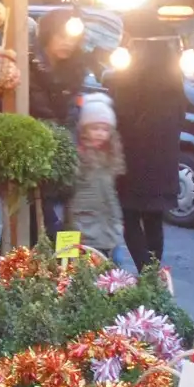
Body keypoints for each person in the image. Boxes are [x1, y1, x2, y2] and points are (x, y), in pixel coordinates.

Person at [108, 17, 185, 271]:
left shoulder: (128, 77)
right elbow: (181, 115)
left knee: (131, 218)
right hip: (163, 159)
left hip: (134, 159)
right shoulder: (173, 76)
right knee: (154, 220)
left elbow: (122, 115)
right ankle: (152, 273)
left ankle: (146, 274)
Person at [68, 93, 127, 265]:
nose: (100, 134)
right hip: (84, 231)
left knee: (115, 270)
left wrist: (117, 223)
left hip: (109, 230)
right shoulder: (79, 155)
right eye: (95, 128)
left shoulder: (110, 156)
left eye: (105, 129)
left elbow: (111, 195)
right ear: (84, 129)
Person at [30, 8, 92, 127]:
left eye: (73, 39)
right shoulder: (28, 65)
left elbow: (71, 114)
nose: (68, 43)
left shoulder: (76, 70)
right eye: (61, 36)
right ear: (48, 35)